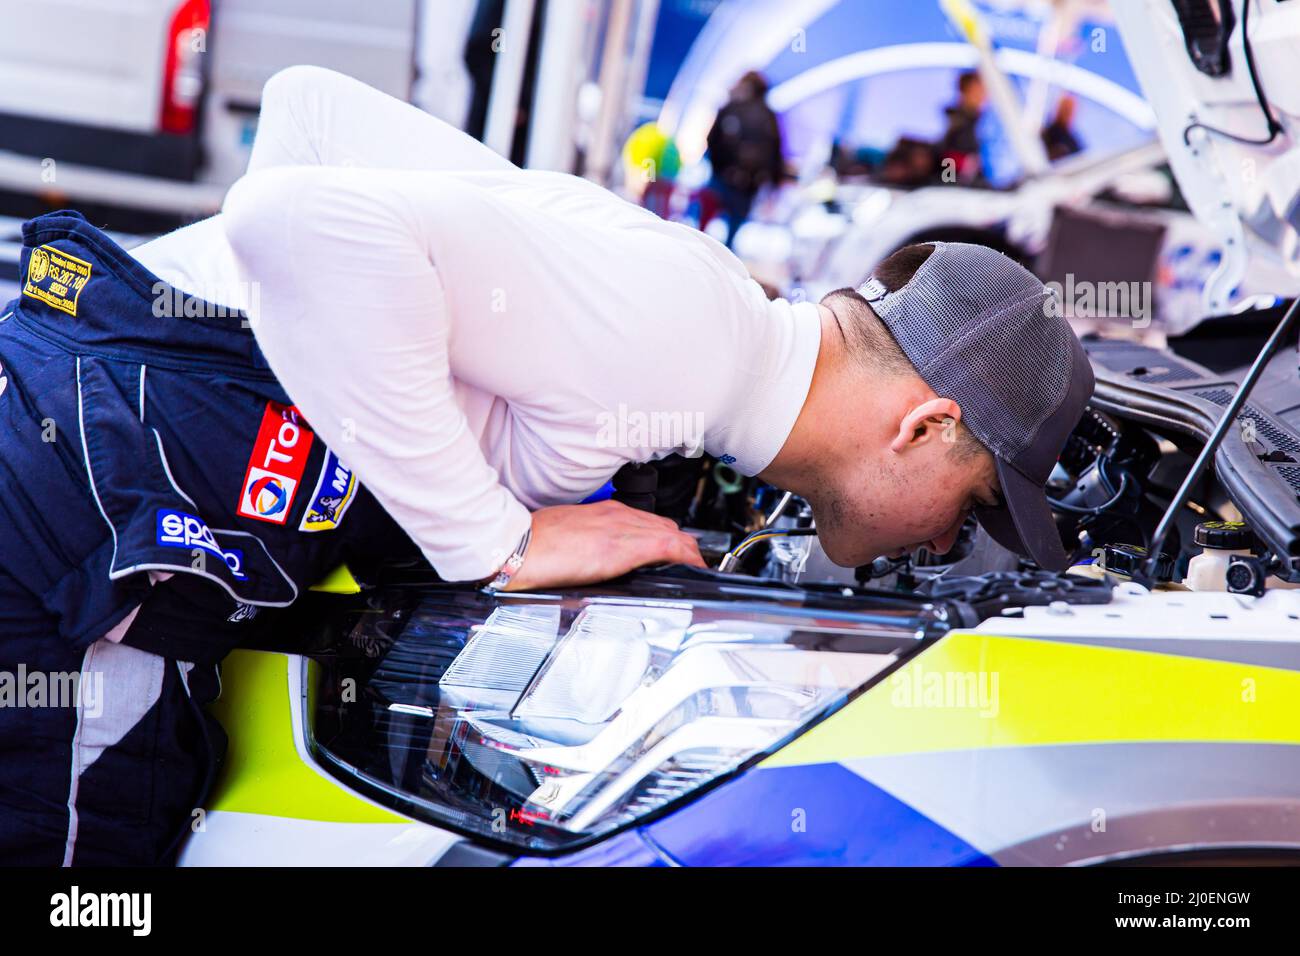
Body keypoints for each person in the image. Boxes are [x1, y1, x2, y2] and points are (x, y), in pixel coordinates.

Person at [0, 66, 1093, 864]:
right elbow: (289, 217)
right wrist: (494, 537)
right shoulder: (690, 342)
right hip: (76, 540)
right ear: (920, 425)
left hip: (74, 443)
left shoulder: (694, 295)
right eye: (979, 501)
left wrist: (317, 372)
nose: (952, 541)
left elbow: (308, 110)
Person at [702, 71, 786, 247]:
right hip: (749, 184)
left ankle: (696, 254)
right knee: (731, 235)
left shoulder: (730, 107)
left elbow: (711, 141)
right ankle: (724, 265)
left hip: (722, 178)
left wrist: (718, 168)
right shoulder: (769, 117)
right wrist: (773, 181)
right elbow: (776, 152)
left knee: (703, 227)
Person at [938, 70, 987, 182]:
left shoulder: (980, 122)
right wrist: (950, 183)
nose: (984, 94)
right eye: (979, 89)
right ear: (966, 90)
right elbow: (948, 163)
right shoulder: (958, 123)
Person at [1042, 94, 1083, 161]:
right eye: (1065, 109)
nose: (1068, 113)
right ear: (1058, 109)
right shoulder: (1048, 134)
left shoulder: (1073, 140)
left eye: (1070, 110)